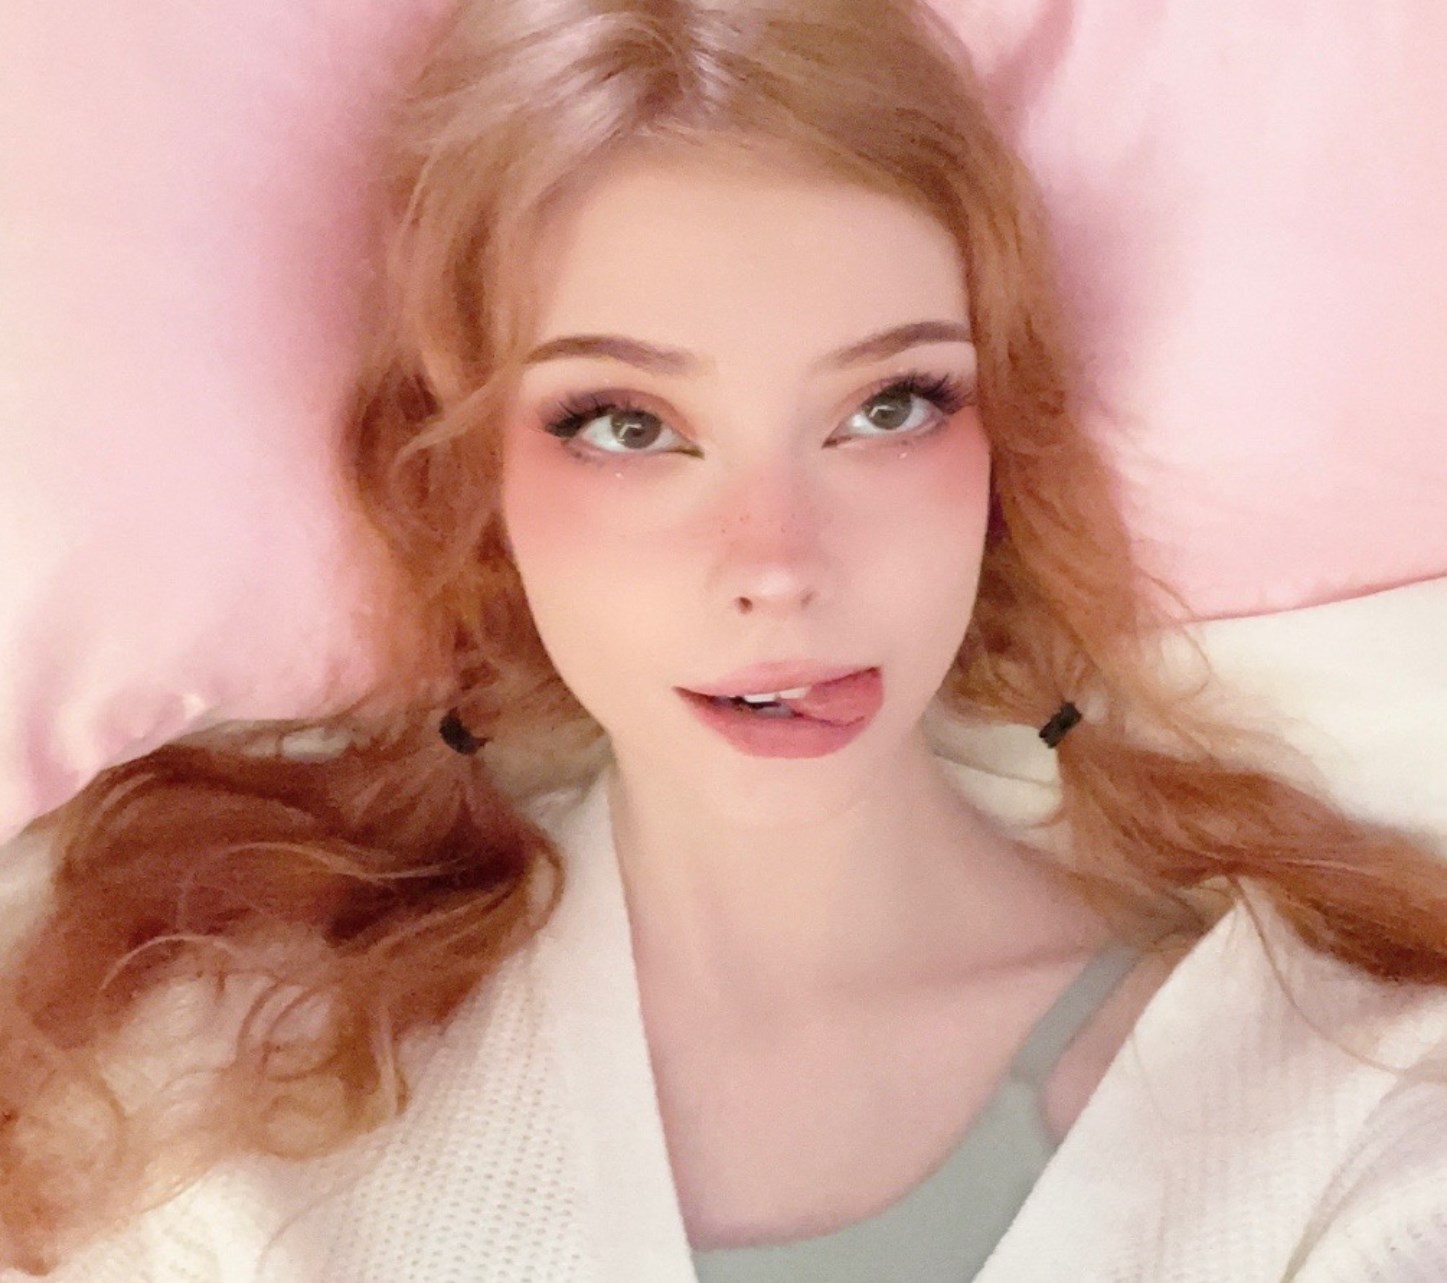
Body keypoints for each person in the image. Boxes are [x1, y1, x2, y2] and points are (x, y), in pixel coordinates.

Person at [3, 0, 1447, 1278]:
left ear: (999, 435)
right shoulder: (220, 1100)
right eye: (628, 427)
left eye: (888, 407)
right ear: (470, 472)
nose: (778, 567)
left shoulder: (1356, 1122)